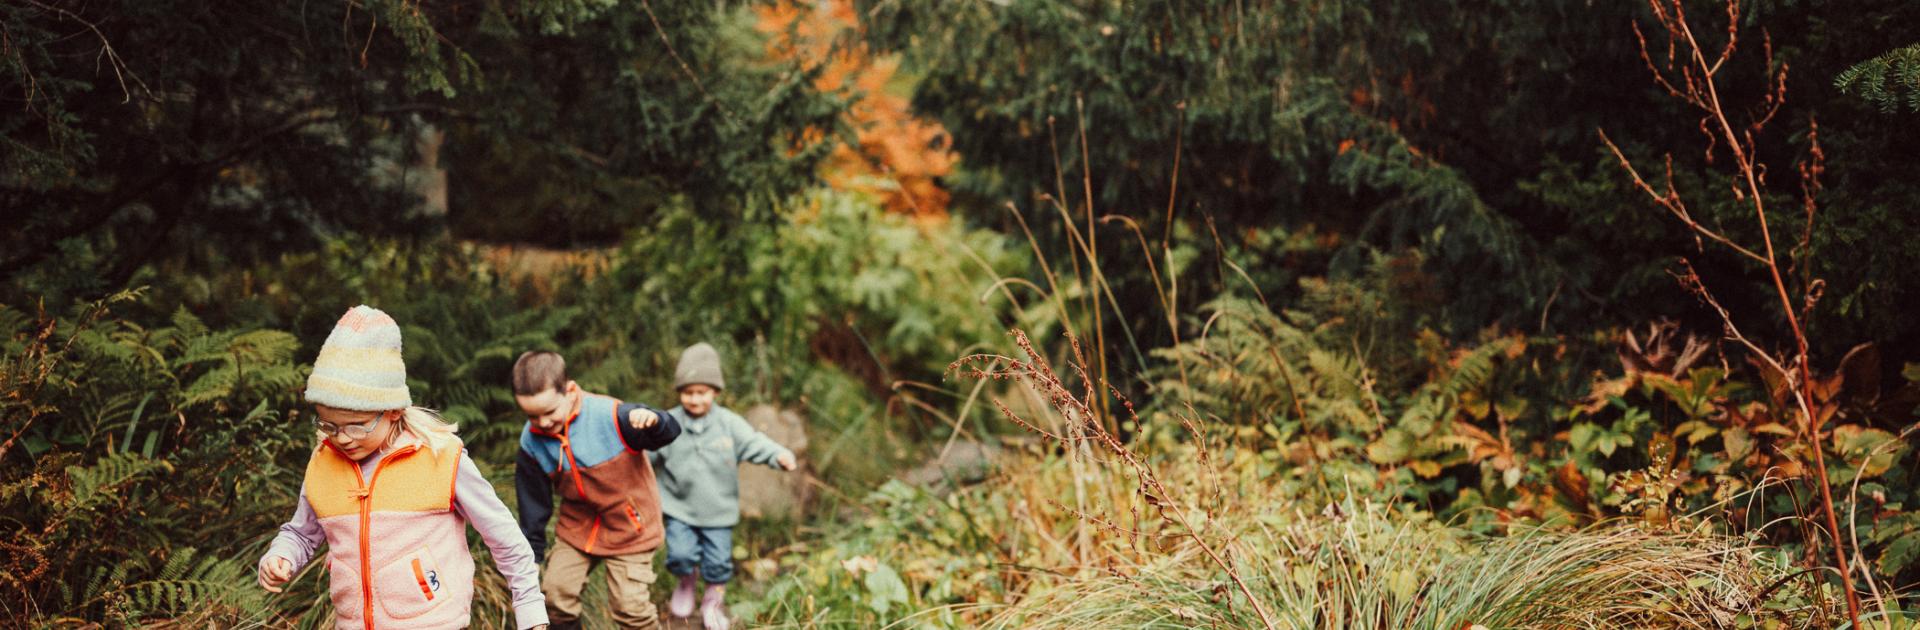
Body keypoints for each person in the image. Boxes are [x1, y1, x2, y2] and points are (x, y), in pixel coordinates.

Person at [257, 305, 548, 630]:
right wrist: (280, 557)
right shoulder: (323, 464)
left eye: (357, 425)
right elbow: (301, 533)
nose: (342, 438)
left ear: (393, 410)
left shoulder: (440, 457)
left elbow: (503, 535)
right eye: (329, 425)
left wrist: (530, 608)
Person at [512, 350, 680, 629]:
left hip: (630, 528)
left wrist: (655, 421)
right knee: (554, 598)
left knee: (631, 609)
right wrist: (532, 555)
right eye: (532, 416)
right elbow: (533, 505)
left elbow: (669, 432)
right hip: (578, 528)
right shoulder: (531, 442)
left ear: (569, 390)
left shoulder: (614, 417)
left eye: (550, 412)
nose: (542, 423)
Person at [651, 343, 798, 630]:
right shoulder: (668, 423)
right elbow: (645, 453)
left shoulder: (729, 424)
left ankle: (713, 603)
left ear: (715, 392)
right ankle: (686, 582)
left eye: (701, 392)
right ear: (679, 392)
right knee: (680, 555)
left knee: (718, 564)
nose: (694, 400)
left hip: (718, 511)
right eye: (687, 392)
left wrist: (778, 454)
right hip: (679, 508)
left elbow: (754, 442)